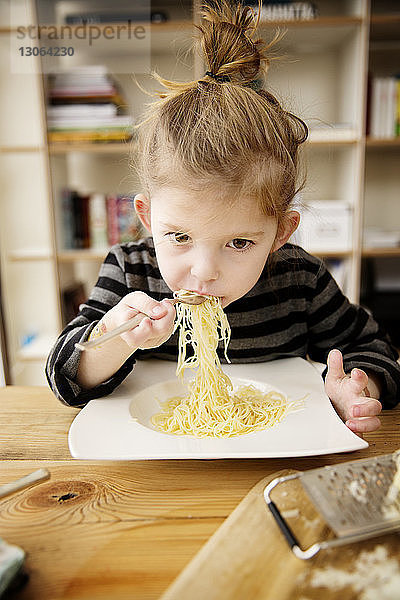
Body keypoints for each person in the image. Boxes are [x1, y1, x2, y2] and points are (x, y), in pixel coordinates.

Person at [46, 0, 400, 433]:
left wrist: (361, 387)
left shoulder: (300, 280)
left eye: (239, 243)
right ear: (147, 216)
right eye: (179, 236)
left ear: (280, 232)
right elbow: (63, 376)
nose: (205, 271)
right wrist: (114, 340)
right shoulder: (130, 272)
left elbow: (373, 348)